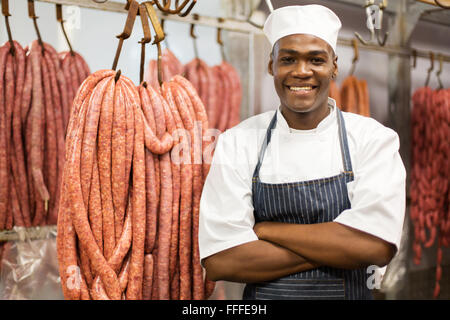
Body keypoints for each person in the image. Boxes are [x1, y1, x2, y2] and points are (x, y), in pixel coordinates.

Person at [198, 4, 406, 300]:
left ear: (334, 65)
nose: (301, 71)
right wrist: (343, 247)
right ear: (272, 65)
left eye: (316, 60)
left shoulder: (373, 139)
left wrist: (268, 230)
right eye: (288, 59)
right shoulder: (238, 142)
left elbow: (376, 247)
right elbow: (222, 260)